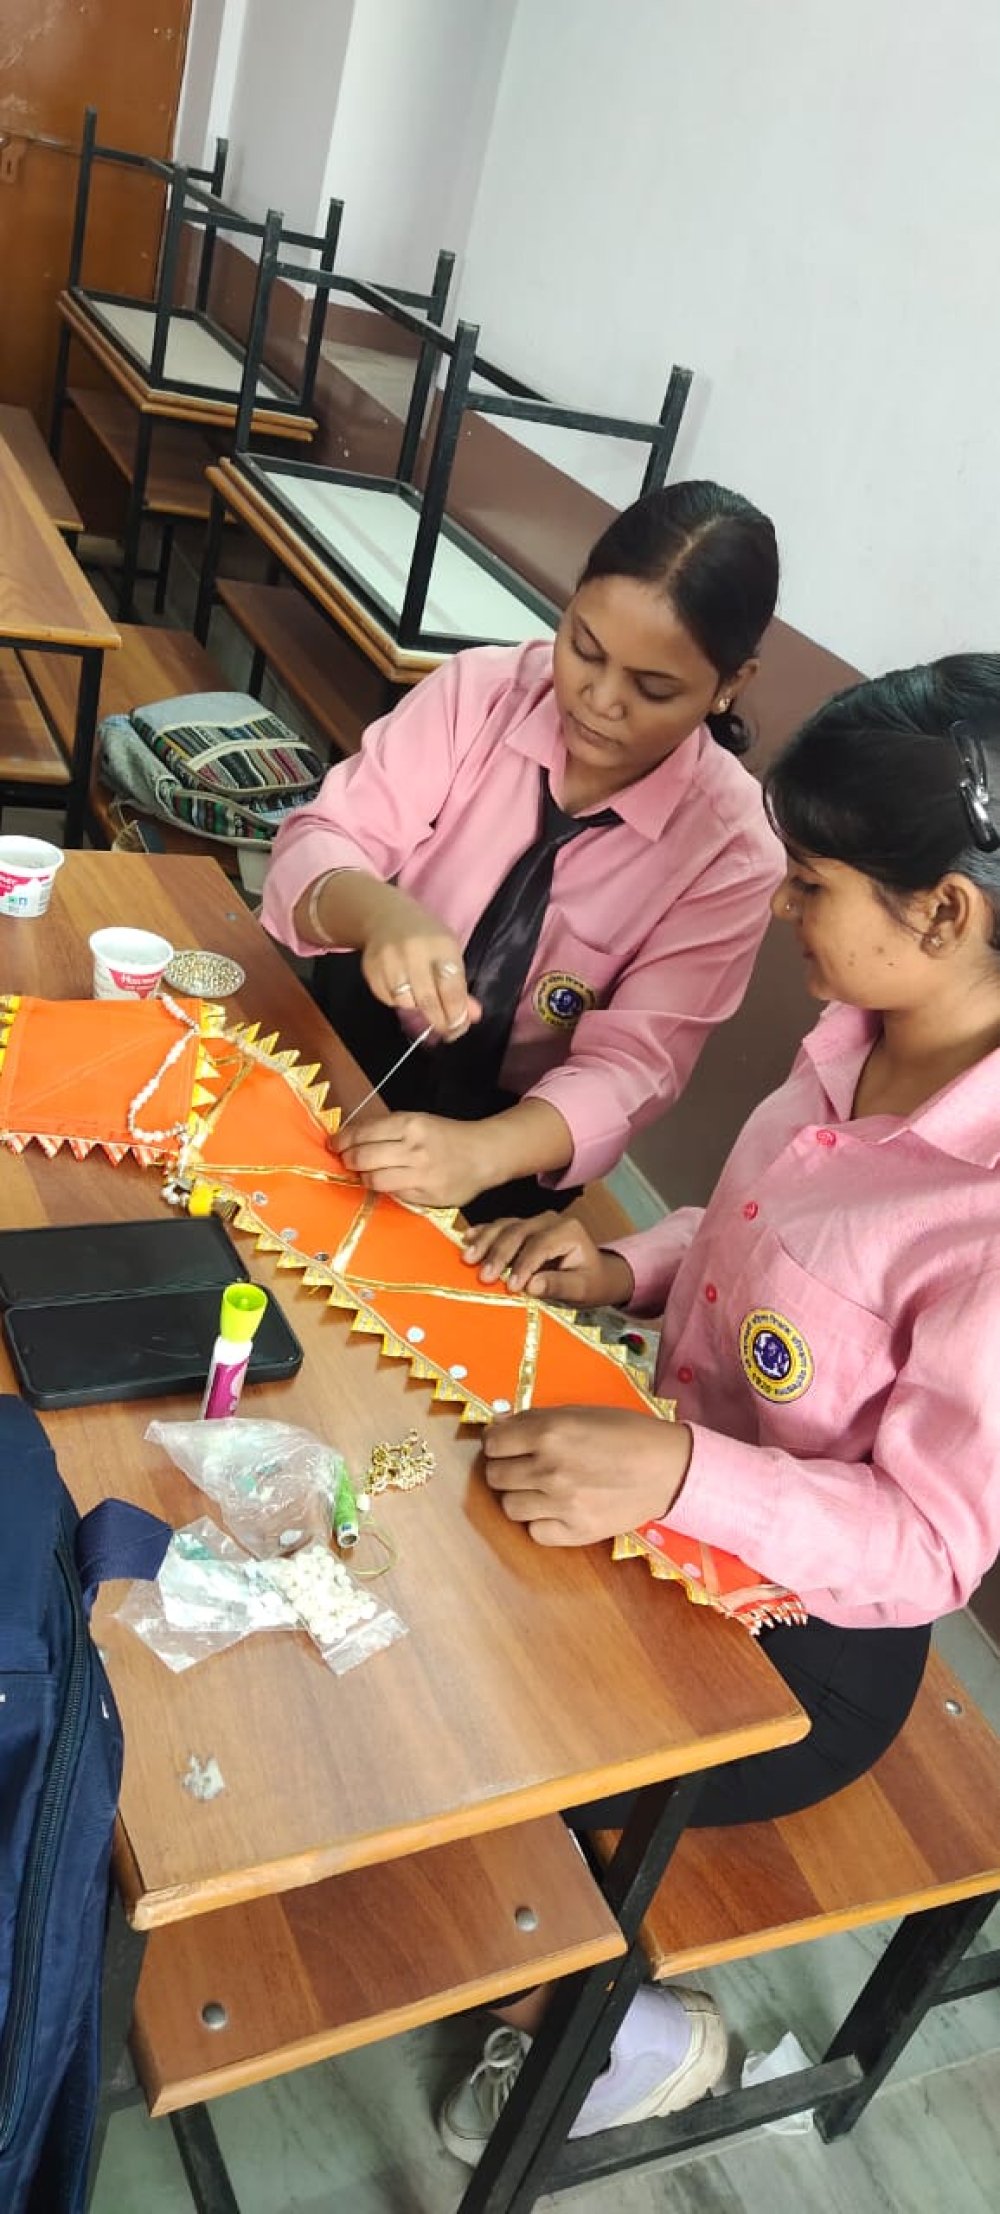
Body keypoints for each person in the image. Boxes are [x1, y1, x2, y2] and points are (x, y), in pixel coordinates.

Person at [438, 652, 1000, 2160]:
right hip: (673, 1495)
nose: (779, 909)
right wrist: (622, 1262)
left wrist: (678, 1473)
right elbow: (763, 1240)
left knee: (481, 1742)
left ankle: (636, 2033)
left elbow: (929, 1544)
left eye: (809, 884)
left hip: (810, 1641)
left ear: (944, 913)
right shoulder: (853, 1043)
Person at [261, 481, 783, 1221]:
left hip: (513, 1143)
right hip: (346, 1046)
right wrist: (378, 913)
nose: (600, 699)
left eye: (654, 688)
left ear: (730, 685)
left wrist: (482, 1154)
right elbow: (322, 839)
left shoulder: (730, 851)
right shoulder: (480, 694)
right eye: (584, 649)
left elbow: (635, 1065)